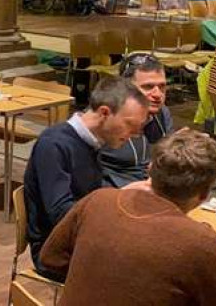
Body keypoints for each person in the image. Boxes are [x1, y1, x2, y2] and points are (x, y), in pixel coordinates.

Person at [40, 130, 216, 305]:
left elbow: (51, 258)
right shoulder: (204, 244)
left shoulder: (98, 200)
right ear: (205, 194)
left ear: (149, 170)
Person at [24, 76, 150, 280]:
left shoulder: (93, 143)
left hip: (84, 238)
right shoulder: (54, 144)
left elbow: (89, 196)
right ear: (104, 113)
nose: (135, 134)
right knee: (144, 272)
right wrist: (116, 199)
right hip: (54, 251)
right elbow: (60, 214)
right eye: (129, 125)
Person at [100, 53, 172, 187]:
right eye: (148, 87)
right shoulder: (105, 118)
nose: (158, 95)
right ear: (125, 88)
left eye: (162, 87)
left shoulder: (162, 114)